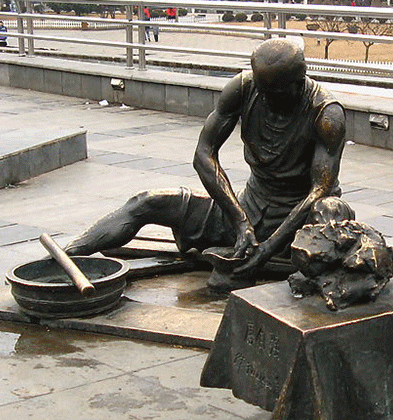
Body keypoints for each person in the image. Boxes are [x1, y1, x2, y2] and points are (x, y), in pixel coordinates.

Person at [66, 39, 348, 291]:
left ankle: (301, 268)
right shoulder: (244, 87)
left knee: (330, 210)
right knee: (148, 202)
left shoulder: (327, 114)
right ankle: (64, 256)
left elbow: (319, 189)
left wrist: (268, 248)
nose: (264, 98)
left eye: (274, 94)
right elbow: (203, 154)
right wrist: (240, 221)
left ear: (298, 82)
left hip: (302, 219)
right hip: (250, 207)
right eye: (261, 91)